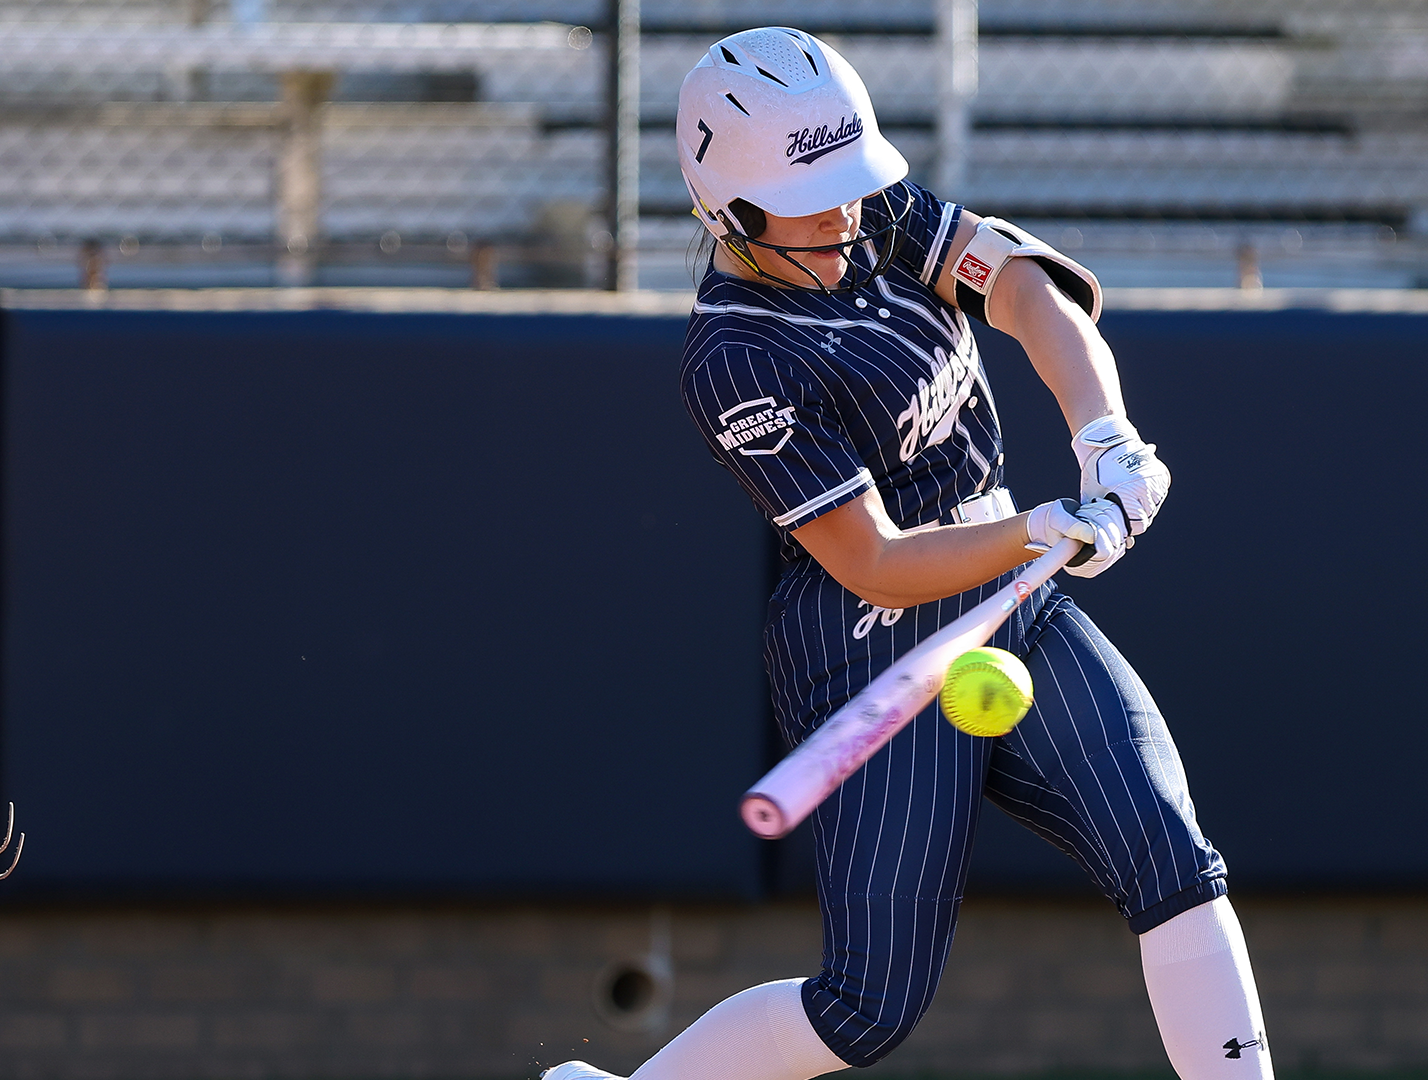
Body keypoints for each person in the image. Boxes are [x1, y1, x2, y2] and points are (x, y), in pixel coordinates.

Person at [542, 27, 1271, 1080]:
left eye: (850, 178)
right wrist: (1034, 530)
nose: (847, 207)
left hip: (1012, 593)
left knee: (1171, 854)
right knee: (869, 1007)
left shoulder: (867, 210)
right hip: (867, 647)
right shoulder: (735, 356)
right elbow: (872, 561)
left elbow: (1023, 288)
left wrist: (1103, 434)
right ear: (732, 212)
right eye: (814, 191)